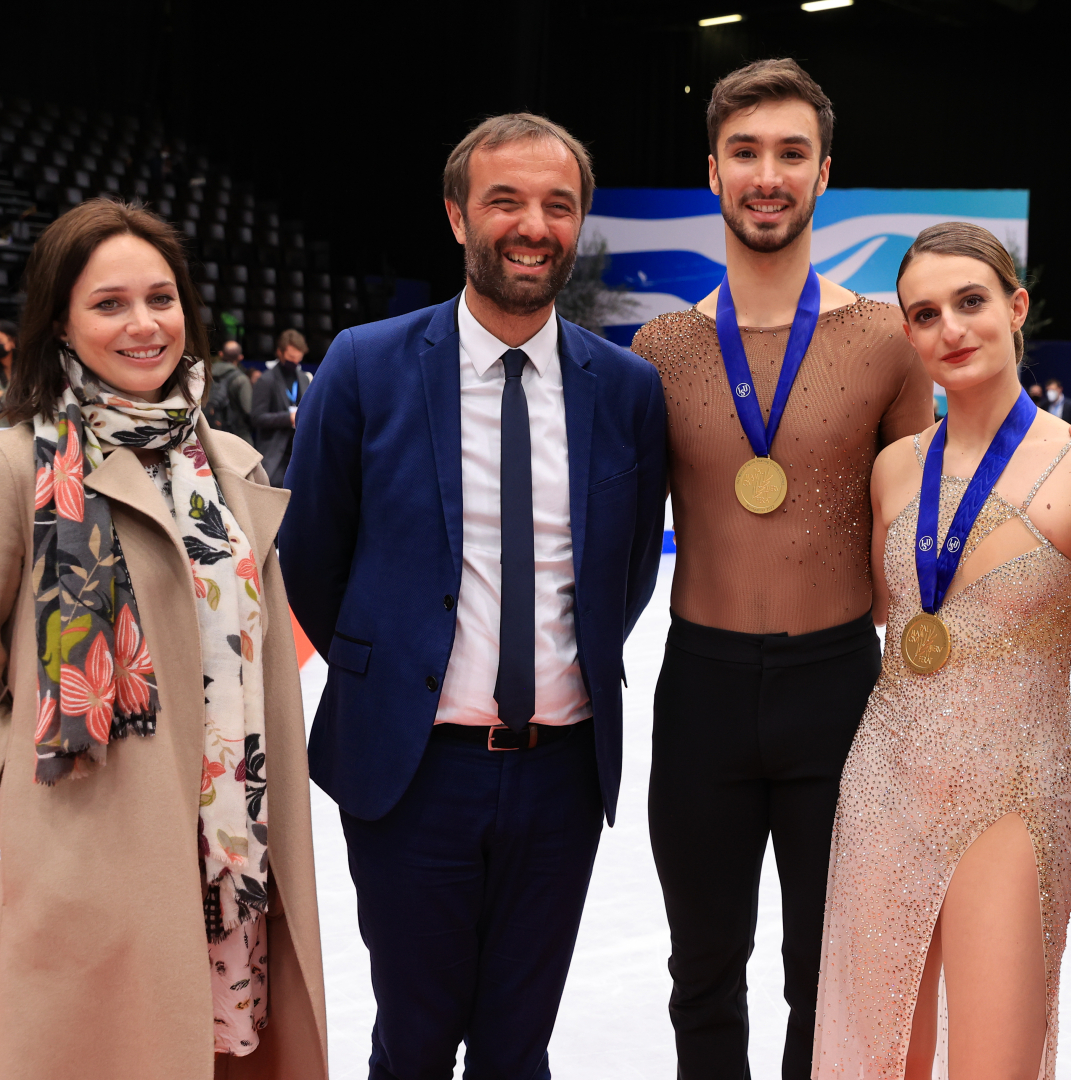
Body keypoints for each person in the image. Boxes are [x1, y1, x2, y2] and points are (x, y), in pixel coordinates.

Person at [280, 113, 668, 1080]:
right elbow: (314, 554)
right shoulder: (365, 365)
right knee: (412, 1040)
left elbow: (624, 577)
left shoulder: (624, 389)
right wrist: (397, 671)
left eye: (557, 205)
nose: (531, 225)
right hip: (412, 777)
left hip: (561, 776)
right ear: (458, 217)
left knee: (516, 1047)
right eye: (505, 201)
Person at [0, 198, 329, 1079]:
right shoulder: (5, 471)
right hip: (86, 856)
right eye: (109, 304)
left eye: (162, 298)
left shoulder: (228, 462)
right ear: (60, 321)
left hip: (232, 857)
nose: (144, 324)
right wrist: (32, 815)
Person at [627, 59, 931, 1080]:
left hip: (839, 687)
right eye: (747, 153)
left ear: (824, 172)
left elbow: (941, 491)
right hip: (701, 686)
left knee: (829, 970)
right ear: (713, 172)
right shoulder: (660, 346)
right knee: (702, 969)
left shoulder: (889, 339)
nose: (769, 174)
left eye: (791, 154)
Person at [812, 222, 1071, 1079]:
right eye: (925, 314)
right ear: (908, 334)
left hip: (1017, 792)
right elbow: (900, 615)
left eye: (970, 302)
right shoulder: (893, 470)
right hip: (886, 783)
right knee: (880, 1052)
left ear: (1016, 306)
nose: (951, 329)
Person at [250, 328, 311, 485]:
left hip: (299, 452)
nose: (295, 362)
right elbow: (257, 417)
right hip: (275, 454)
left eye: (299, 358)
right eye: (291, 357)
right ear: (280, 353)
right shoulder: (266, 380)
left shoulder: (304, 378)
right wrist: (288, 418)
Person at [208, 338, 255, 444]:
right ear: (240, 357)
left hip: (209, 432)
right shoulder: (241, 379)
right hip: (237, 435)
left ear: (220, 354)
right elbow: (248, 410)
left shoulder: (206, 374)